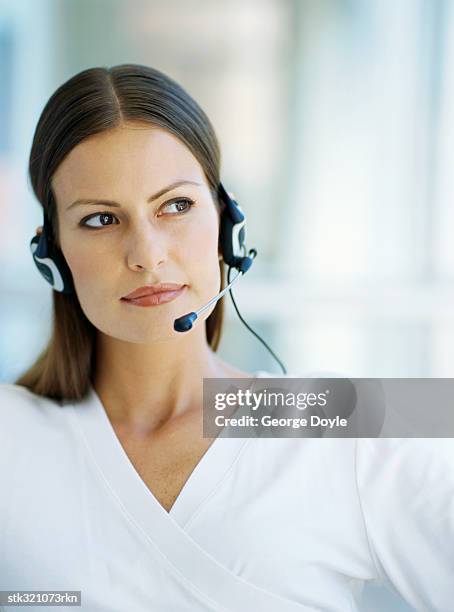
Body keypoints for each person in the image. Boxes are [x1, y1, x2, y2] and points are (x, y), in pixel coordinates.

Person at [0, 64, 453, 612]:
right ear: (51, 256)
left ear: (228, 222)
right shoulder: (13, 430)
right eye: (100, 220)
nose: (147, 254)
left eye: (175, 205)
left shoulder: (342, 414)